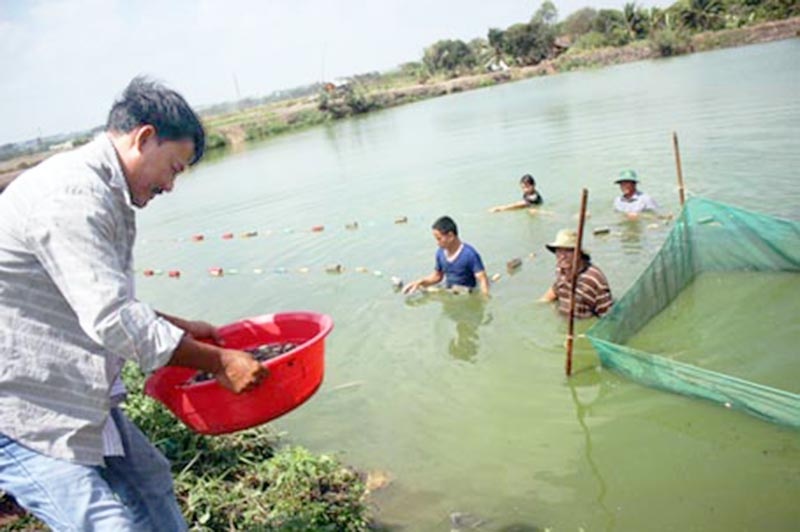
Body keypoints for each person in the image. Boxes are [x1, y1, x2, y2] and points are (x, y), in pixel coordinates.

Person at [0, 77, 269, 530]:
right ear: (144, 138)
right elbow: (111, 317)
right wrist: (219, 361)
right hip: (23, 409)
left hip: (71, 392)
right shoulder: (72, 198)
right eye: (174, 168)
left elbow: (95, 299)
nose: (171, 185)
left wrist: (183, 327)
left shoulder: (105, 192)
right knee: (108, 525)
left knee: (149, 482)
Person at [402, 216, 490, 296]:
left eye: (439, 239)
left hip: (467, 292)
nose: (437, 242)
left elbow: (482, 280)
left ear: (451, 236)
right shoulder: (440, 253)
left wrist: (485, 299)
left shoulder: (470, 254)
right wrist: (419, 282)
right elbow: (437, 276)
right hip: (450, 291)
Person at [539, 229, 613, 318]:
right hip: (563, 322)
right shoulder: (561, 269)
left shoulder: (594, 279)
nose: (562, 256)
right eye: (559, 250)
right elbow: (557, 288)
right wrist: (538, 304)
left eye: (568, 251)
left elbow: (608, 318)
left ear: (579, 253)